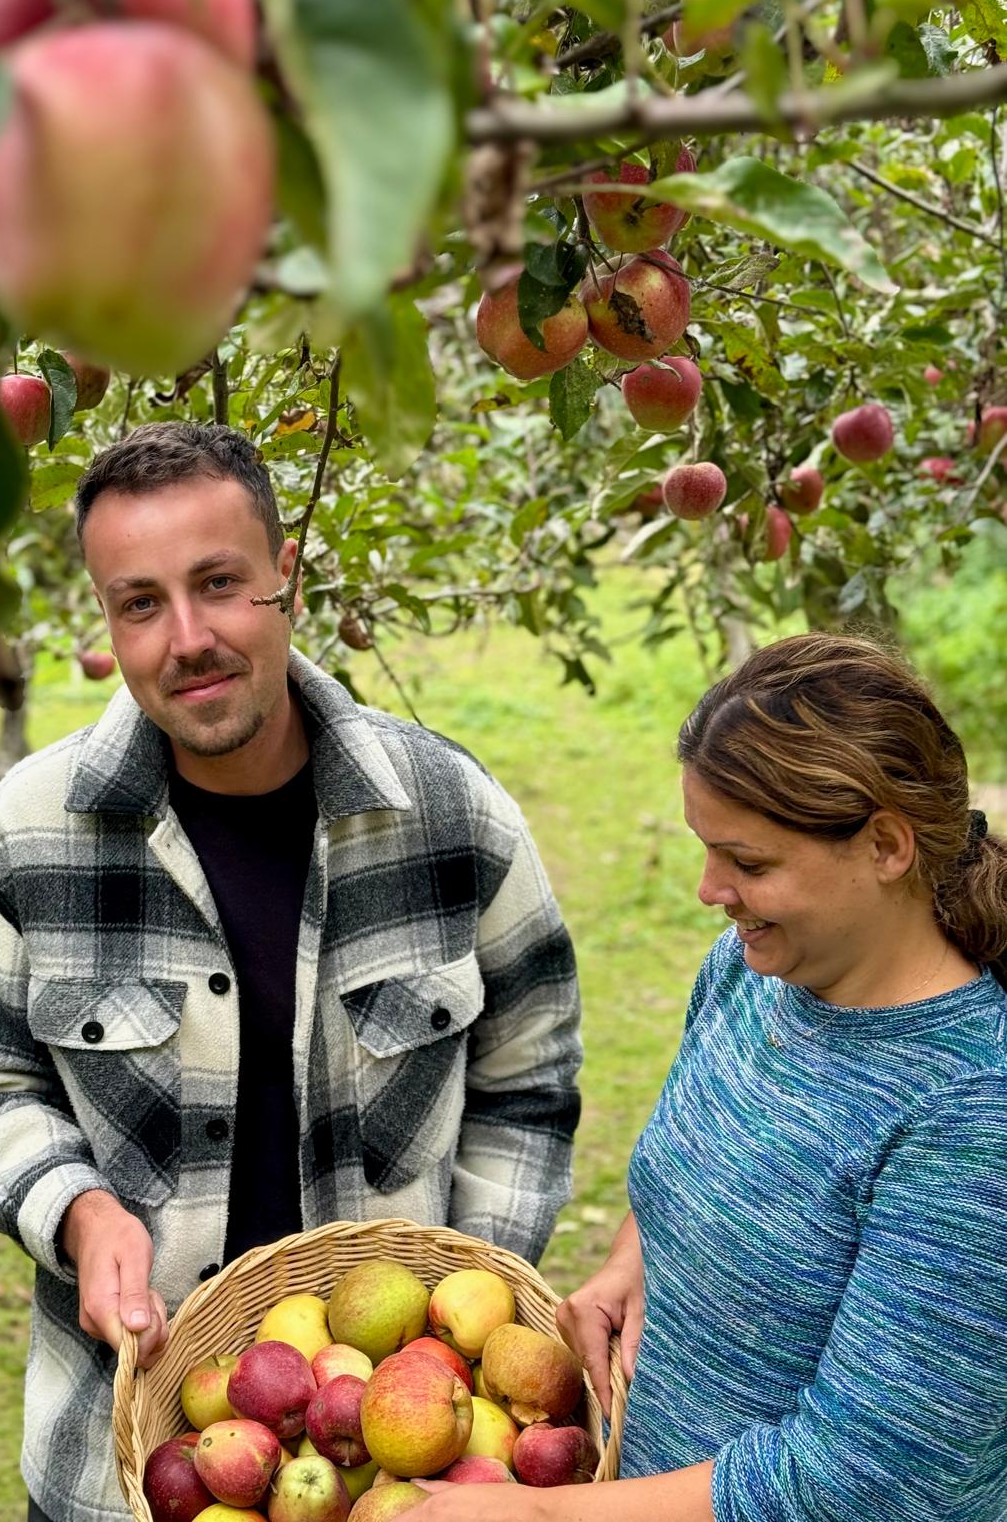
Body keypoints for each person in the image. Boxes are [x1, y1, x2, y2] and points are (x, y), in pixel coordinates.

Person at [0, 421, 582, 1522]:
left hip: (401, 1469)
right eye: (140, 602)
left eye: (220, 583)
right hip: (118, 1458)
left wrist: (457, 1316)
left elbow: (531, 1077)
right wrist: (83, 1214)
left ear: (285, 578)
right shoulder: (32, 833)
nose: (187, 637)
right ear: (108, 620)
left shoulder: (449, 815)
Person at [415, 632, 1007, 1522]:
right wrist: (635, 1256)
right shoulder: (748, 973)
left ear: (885, 846)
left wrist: (544, 1516)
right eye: (705, 847)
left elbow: (868, 1482)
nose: (707, 889)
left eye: (749, 862)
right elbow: (705, 1161)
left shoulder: (968, 1115)